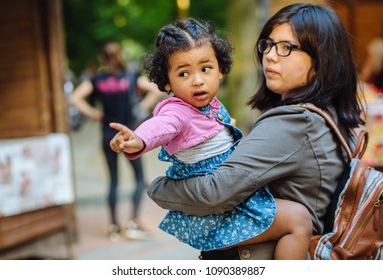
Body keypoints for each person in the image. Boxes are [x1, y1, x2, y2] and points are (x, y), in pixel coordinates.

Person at [139, 3, 365, 260]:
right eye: (267, 44)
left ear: (321, 58)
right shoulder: (330, 113)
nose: (270, 55)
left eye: (286, 48)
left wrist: (159, 188)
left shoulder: (292, 123)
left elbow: (214, 193)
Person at [109, 18, 313, 259]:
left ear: (220, 70)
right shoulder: (177, 110)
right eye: (184, 73)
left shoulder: (209, 105)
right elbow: (161, 126)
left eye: (205, 69)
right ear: (167, 81)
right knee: (299, 220)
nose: (197, 80)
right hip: (217, 214)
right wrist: (138, 140)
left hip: (230, 198)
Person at [70, 41, 164, 241]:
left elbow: (75, 98)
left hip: (108, 135)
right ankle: (133, 224)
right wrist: (141, 108)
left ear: (101, 58)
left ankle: (114, 228)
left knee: (113, 180)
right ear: (120, 54)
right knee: (139, 179)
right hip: (130, 136)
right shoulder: (131, 76)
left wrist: (97, 115)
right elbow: (155, 91)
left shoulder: (97, 79)